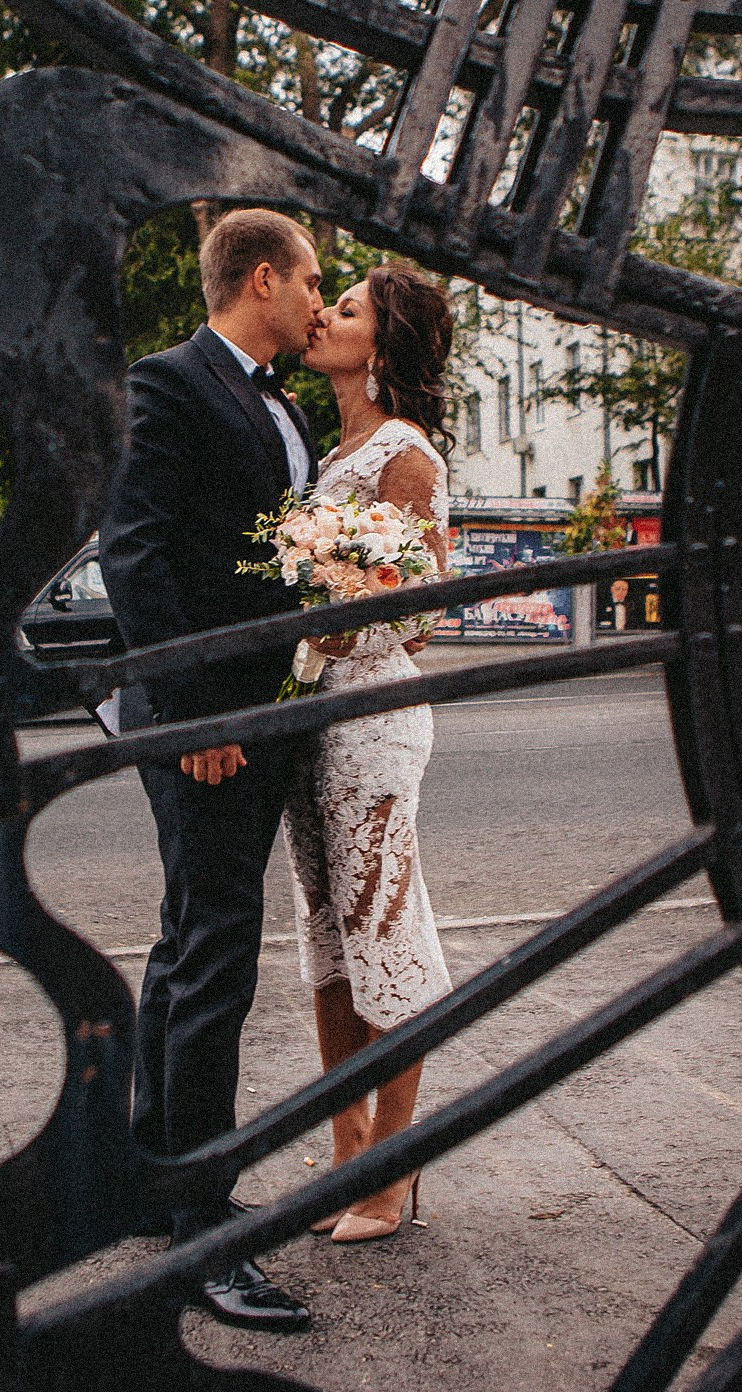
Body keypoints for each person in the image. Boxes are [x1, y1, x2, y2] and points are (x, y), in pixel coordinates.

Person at [100, 207, 324, 1333]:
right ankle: (203, 1230)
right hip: (203, 713)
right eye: (310, 279)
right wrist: (191, 709)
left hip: (255, 704)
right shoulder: (171, 381)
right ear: (263, 277)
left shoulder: (277, 394)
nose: (319, 296)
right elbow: (131, 547)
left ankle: (155, 1172)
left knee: (188, 934)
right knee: (217, 953)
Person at [283, 264, 455, 1243]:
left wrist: (325, 588)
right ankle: (344, 1152)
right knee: (328, 938)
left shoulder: (405, 453)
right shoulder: (332, 450)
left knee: (384, 932)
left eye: (344, 309)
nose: (324, 315)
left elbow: (420, 611)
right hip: (312, 717)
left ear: (381, 348)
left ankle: (393, 1166)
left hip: (374, 725)